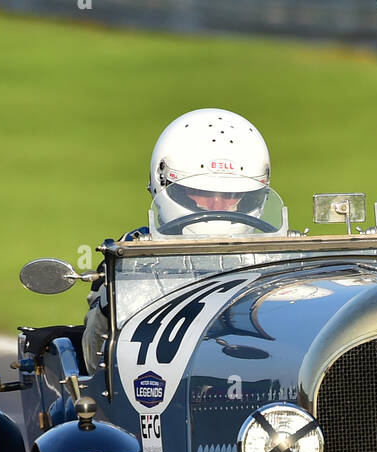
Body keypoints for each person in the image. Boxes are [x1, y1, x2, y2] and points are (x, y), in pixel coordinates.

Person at [81, 108, 272, 373]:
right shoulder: (132, 254)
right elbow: (96, 361)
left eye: (231, 195)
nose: (217, 206)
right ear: (165, 183)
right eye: (201, 193)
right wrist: (113, 301)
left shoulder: (279, 254)